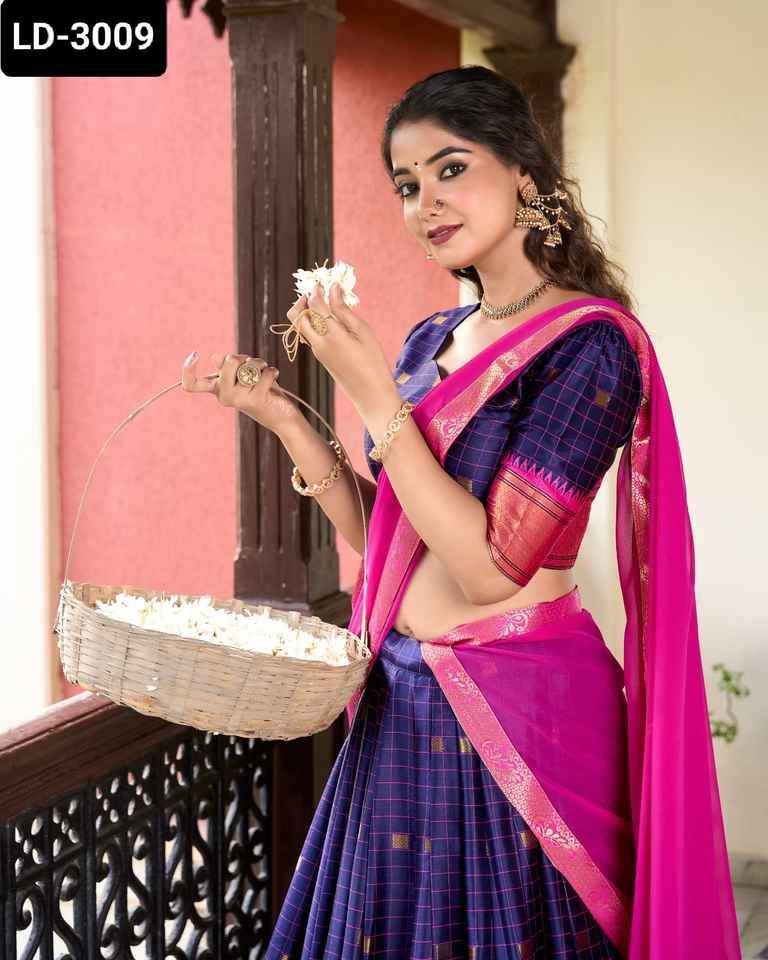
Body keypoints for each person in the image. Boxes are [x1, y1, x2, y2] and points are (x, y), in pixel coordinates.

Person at [182, 66, 740, 960]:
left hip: (520, 716)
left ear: (523, 170)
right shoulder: (429, 342)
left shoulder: (591, 346)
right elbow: (390, 539)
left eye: (451, 168)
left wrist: (374, 397)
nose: (426, 203)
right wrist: (284, 417)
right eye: (407, 185)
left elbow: (488, 569)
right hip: (400, 704)